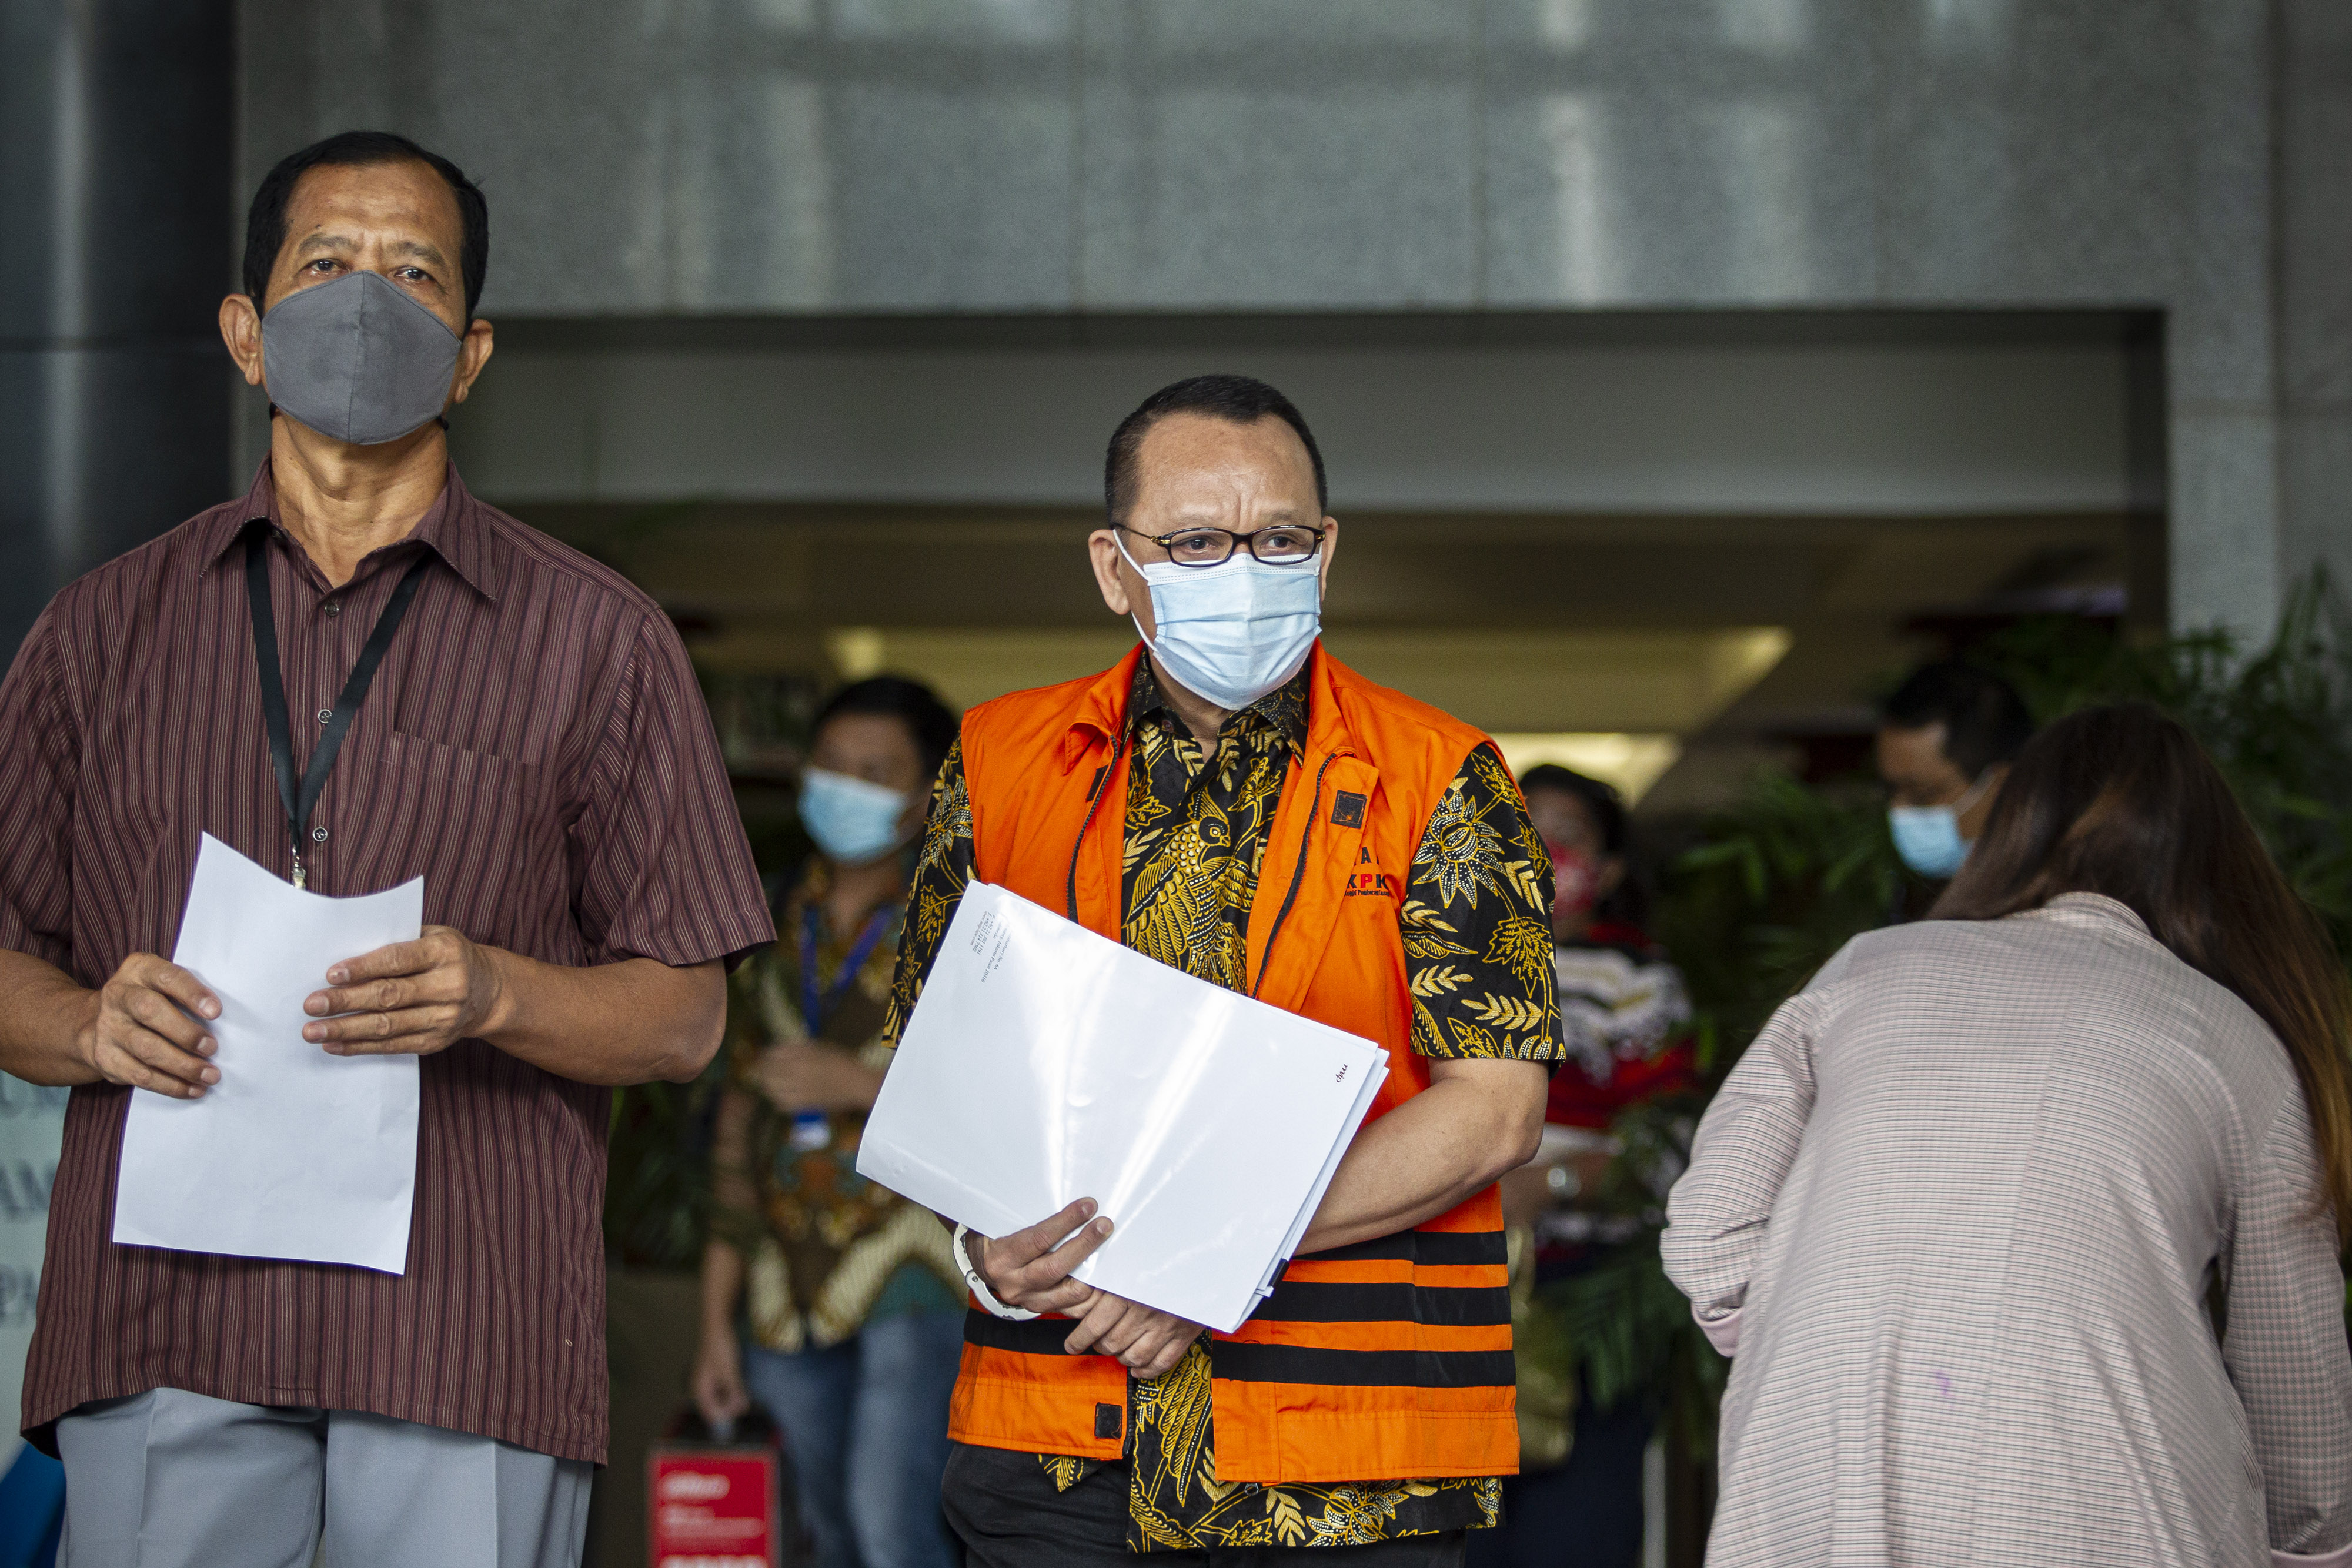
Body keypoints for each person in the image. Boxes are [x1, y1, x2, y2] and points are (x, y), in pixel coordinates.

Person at [0, 131, 772, 1566]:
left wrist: (500, 994)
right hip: (166, 1316)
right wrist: (84, 1024)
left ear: (469, 353)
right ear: (246, 330)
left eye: (414, 275)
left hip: (463, 1332)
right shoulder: (103, 631)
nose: (368, 302)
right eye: (326, 266)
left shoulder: (595, 641)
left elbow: (685, 1015)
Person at [881, 374, 1563, 1564]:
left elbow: (1495, 1109)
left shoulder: (1440, 777)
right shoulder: (999, 762)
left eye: (1279, 539)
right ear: (1113, 566)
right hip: (1054, 1444)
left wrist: (1198, 1249)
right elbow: (940, 1067)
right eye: (1194, 541)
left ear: (1325, 548)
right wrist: (978, 1249)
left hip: (1344, 1465)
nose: (1243, 569)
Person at [1662, 703, 2352, 1568]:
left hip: (1823, 1472)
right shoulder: (2240, 1043)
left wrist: (1836, 1328)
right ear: (2215, 862)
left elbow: (1709, 1233)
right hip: (2121, 1500)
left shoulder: (1866, 969)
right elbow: (2296, 1373)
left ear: (2011, 830)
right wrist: (2313, 1548)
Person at [693, 676, 965, 1568]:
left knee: (895, 1529)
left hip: (914, 1272)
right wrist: (713, 1323)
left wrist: (854, 1080)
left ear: (926, 795)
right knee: (825, 1536)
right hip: (781, 1281)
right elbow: (735, 1125)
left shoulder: (963, 925)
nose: (845, 785)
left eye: (874, 771)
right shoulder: (761, 918)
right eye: (832, 764)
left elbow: (1001, 1115)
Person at [1475, 767, 1695, 1568]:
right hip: (1454, 1284)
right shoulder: (1434, 961)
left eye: (1565, 836)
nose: (1539, 851)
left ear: (1603, 873)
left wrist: (1545, 1184)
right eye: (1523, 827)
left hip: (1586, 1290)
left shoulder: (1636, 982)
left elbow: (1667, 1148)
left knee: (1577, 1530)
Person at [1874, 660, 2033, 882]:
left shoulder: (2065, 894)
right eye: (1891, 790)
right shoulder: (1905, 889)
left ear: (2004, 783)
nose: (1898, 810)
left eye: (1924, 795)